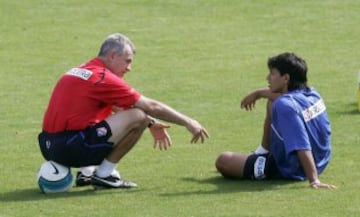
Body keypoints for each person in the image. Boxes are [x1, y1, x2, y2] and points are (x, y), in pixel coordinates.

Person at [38, 33, 209, 189]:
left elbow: (115, 106)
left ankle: (86, 172)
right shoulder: (103, 77)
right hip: (72, 148)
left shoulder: (80, 70)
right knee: (139, 116)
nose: (129, 68)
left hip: (49, 147)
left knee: (103, 113)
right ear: (112, 55)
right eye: (127, 61)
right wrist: (188, 122)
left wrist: (152, 123)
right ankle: (105, 174)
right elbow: (150, 106)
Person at [215, 52, 336, 189]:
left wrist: (314, 180)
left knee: (223, 161)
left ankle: (266, 160)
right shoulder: (312, 93)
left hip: (295, 168)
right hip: (321, 161)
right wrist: (258, 93)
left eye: (272, 73)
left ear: (286, 78)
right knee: (272, 102)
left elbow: (302, 145)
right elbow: (277, 95)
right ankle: (262, 152)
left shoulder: (285, 106)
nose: (268, 78)